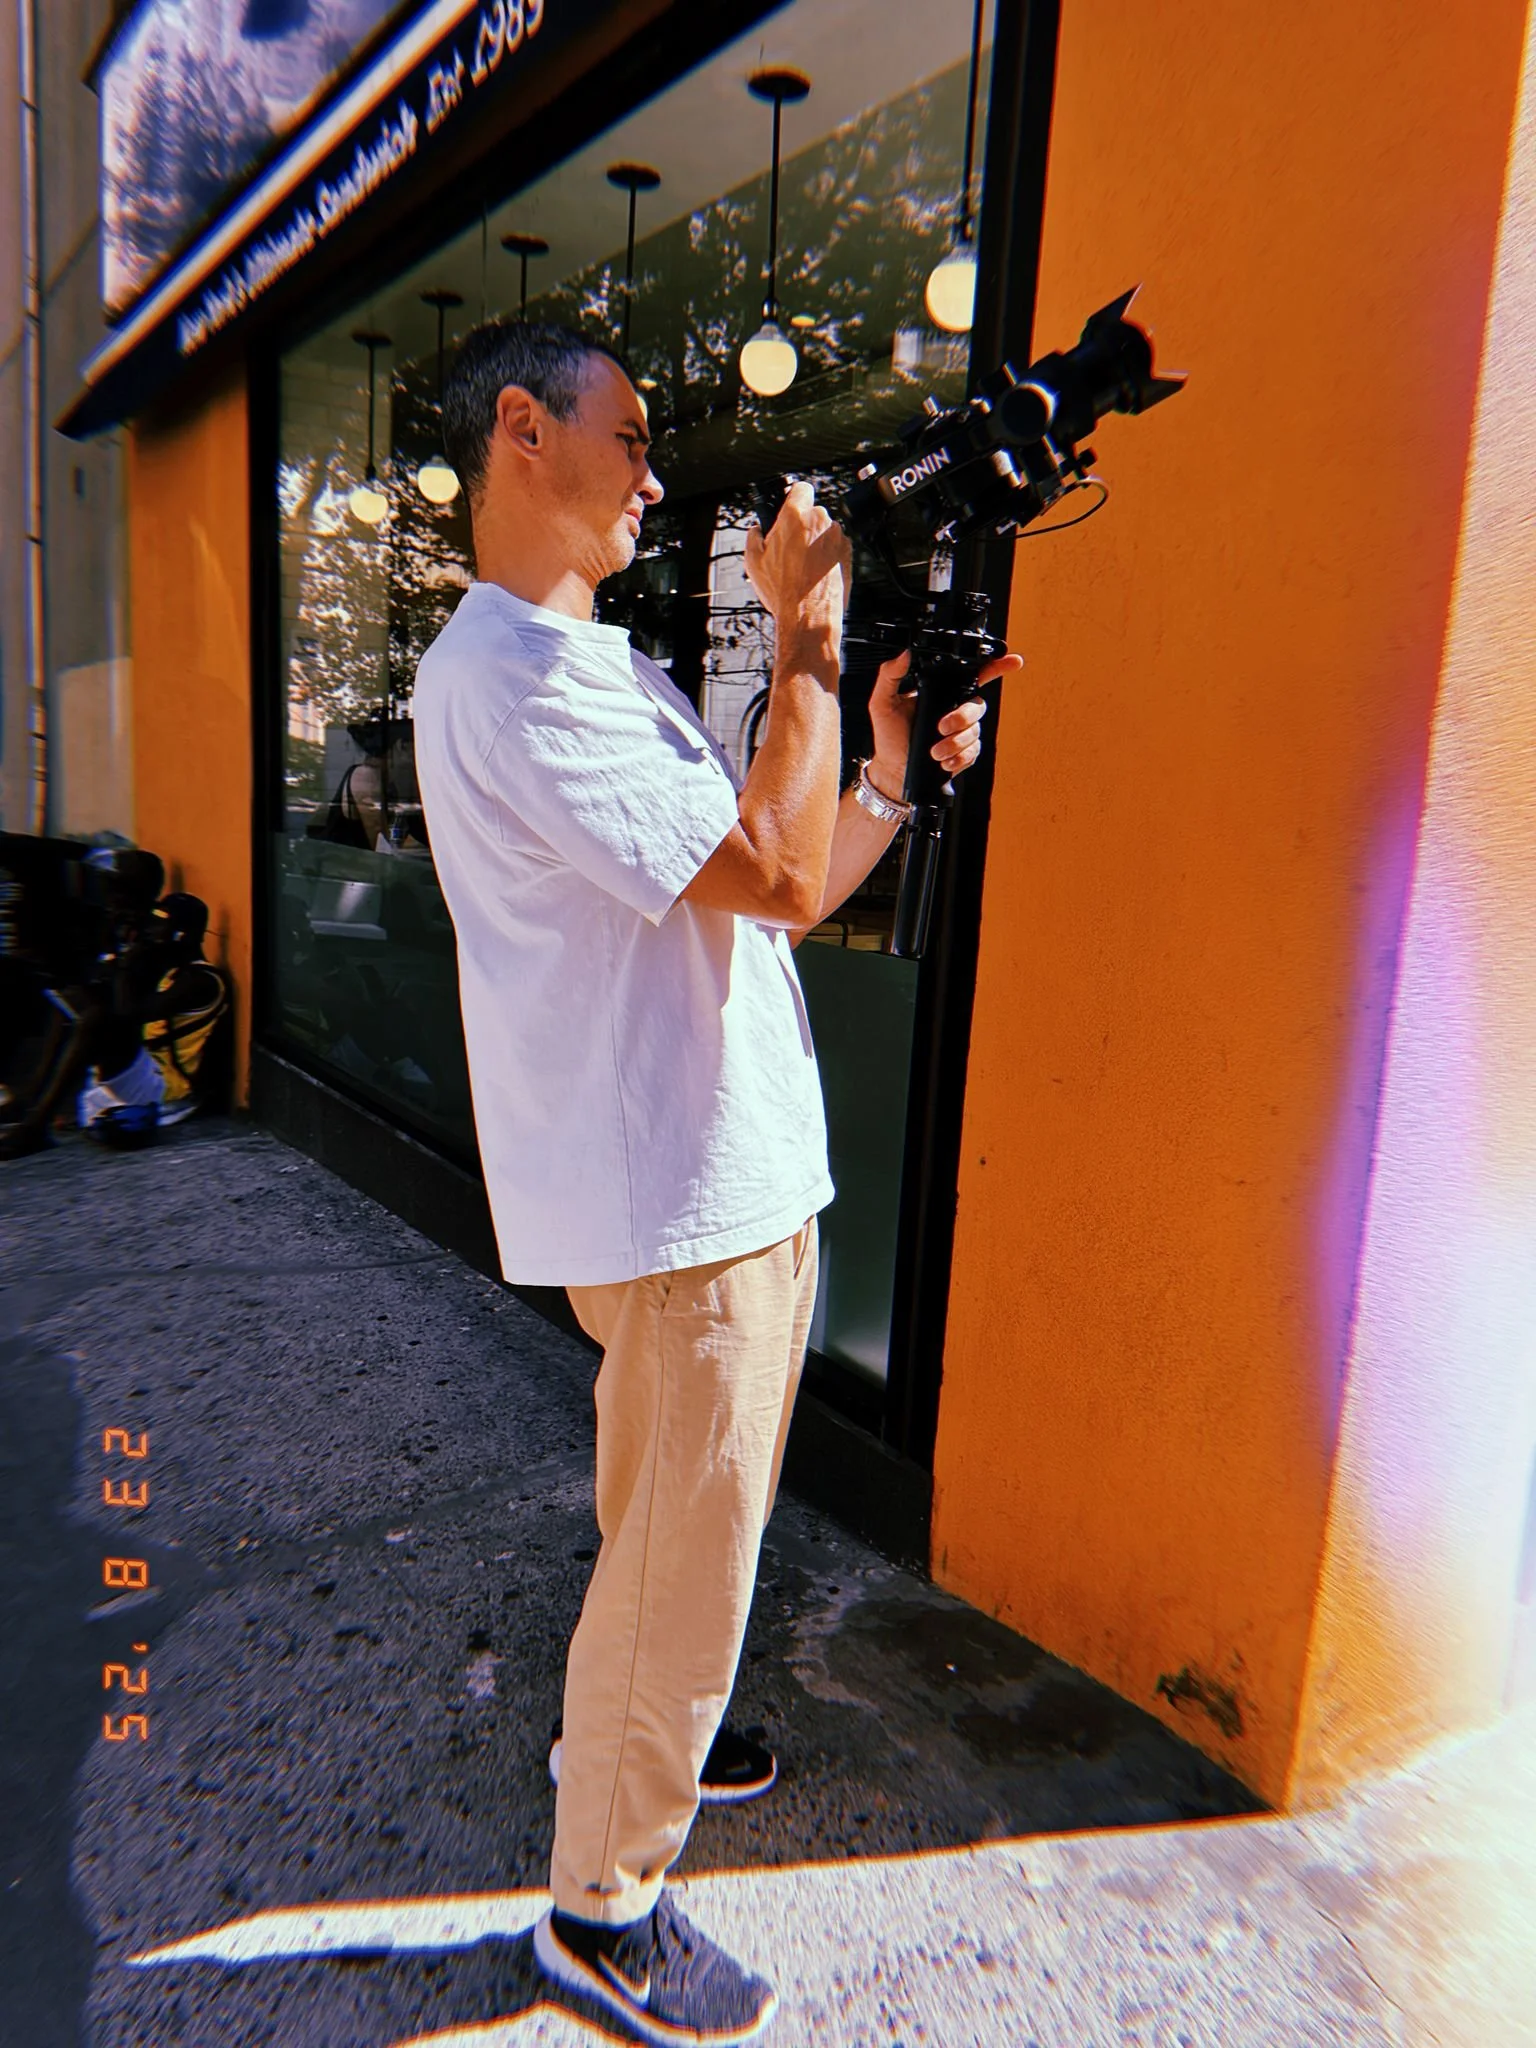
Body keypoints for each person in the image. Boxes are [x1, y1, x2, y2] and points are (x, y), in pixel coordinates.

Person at [411, 321, 1017, 2047]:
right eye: (633, 433)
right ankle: (604, 1906)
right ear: (526, 433)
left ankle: (631, 1716)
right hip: (685, 1204)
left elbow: (781, 888)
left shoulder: (591, 666)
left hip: (717, 1182)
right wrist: (811, 637)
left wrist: (885, 770)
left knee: (672, 1520)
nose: (658, 471)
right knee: (690, 1538)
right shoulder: (515, 676)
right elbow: (760, 860)